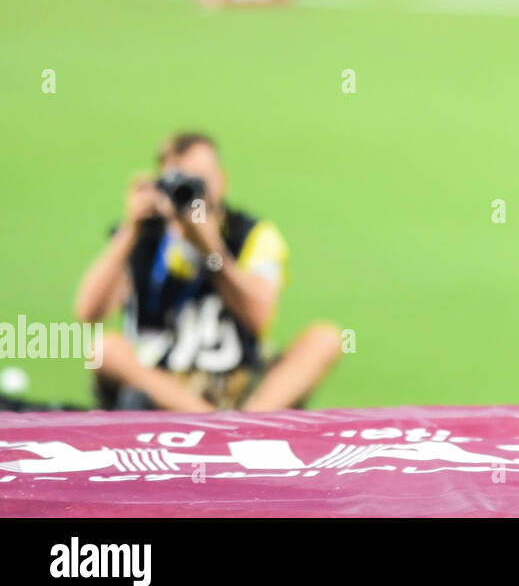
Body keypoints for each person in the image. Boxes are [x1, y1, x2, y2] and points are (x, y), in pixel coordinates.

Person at [74, 132, 341, 411]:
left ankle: (249, 418)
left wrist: (212, 254)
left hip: (237, 383)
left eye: (201, 179)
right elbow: (89, 311)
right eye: (181, 182)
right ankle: (214, 421)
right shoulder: (147, 236)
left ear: (222, 180)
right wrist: (131, 229)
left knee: (324, 338)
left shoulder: (251, 236)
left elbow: (259, 317)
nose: (194, 194)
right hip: (164, 388)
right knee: (105, 349)